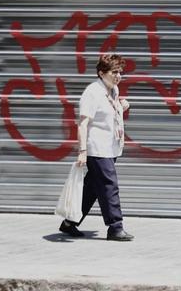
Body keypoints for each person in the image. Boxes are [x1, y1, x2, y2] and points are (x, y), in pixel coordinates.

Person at [59, 53, 134, 241]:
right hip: (97, 149)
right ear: (101, 73)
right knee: (109, 186)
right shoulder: (92, 92)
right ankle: (115, 227)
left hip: (111, 147)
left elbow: (109, 112)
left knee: (92, 188)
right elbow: (83, 124)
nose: (118, 76)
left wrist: (121, 105)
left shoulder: (113, 90)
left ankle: (69, 223)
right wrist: (82, 151)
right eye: (114, 72)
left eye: (120, 72)